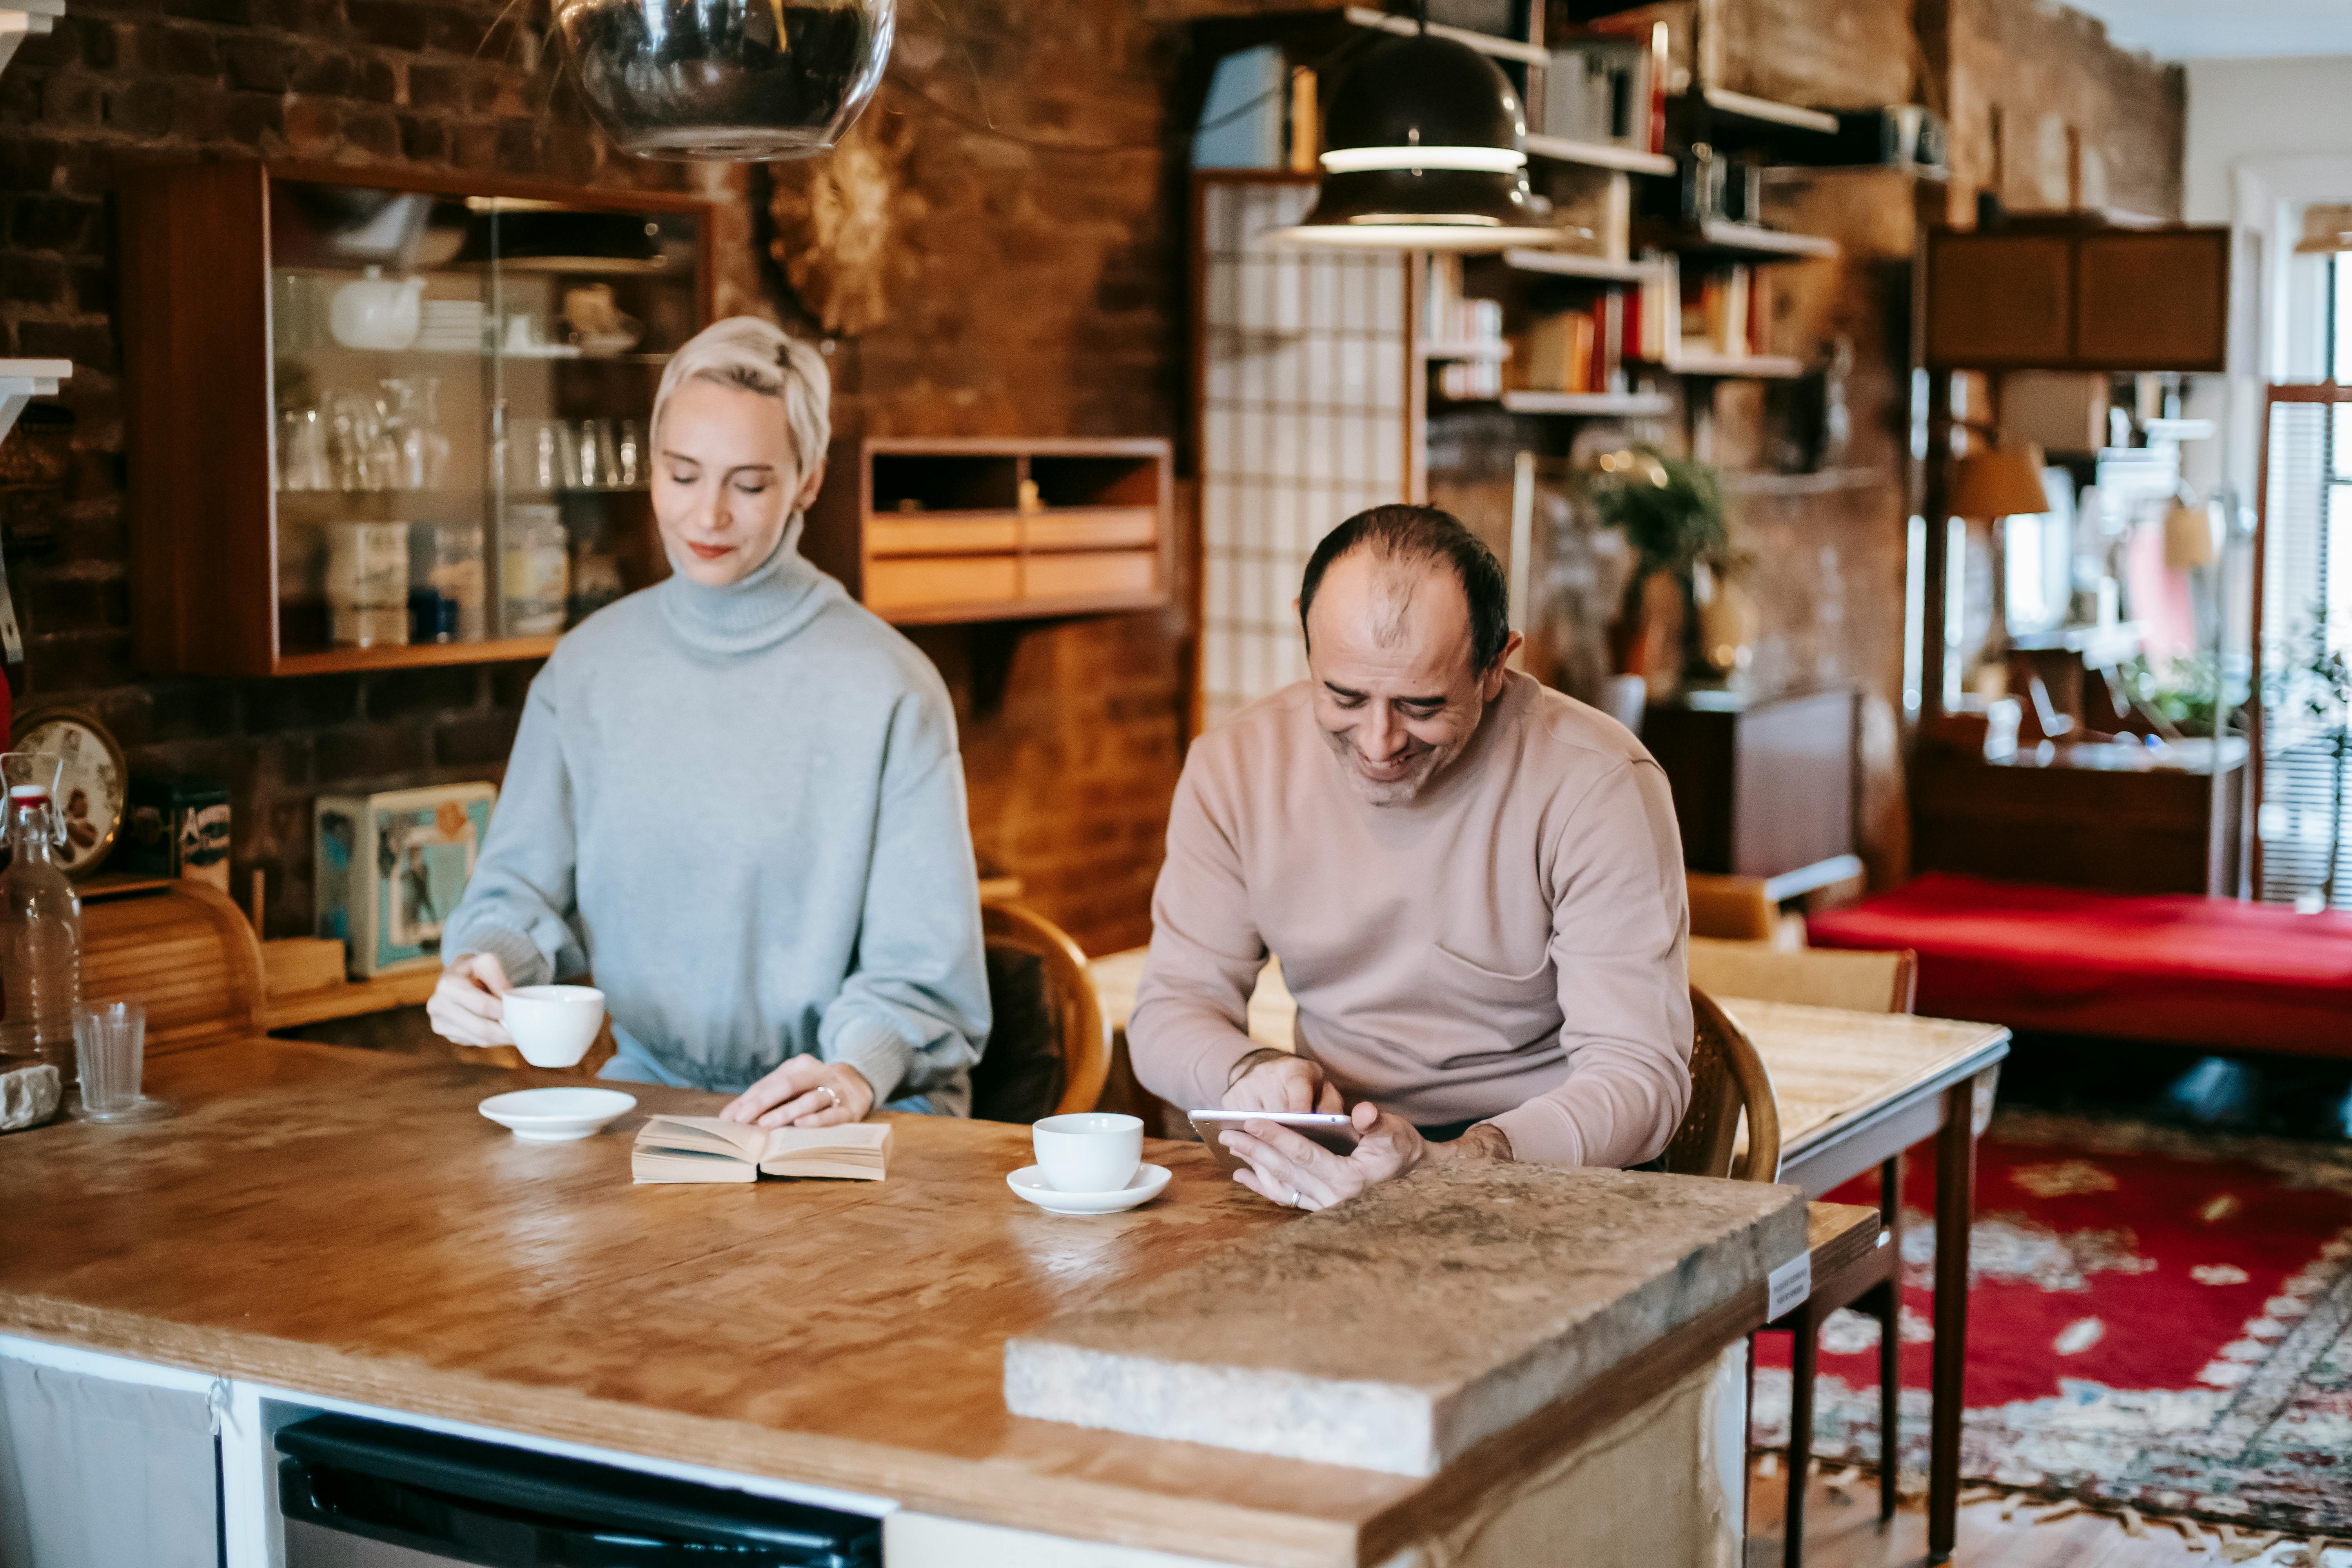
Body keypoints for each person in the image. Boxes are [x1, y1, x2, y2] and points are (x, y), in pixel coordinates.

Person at [429, 316, 990, 1126]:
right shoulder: (585, 669)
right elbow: (519, 892)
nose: (709, 515)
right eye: (682, 474)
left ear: (807, 480)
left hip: (857, 1115)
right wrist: (485, 966)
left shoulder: (891, 689)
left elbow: (923, 972)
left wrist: (853, 1074)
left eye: (750, 483)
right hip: (655, 1101)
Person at [1128, 504, 1690, 1210]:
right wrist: (1252, 1068)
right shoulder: (1235, 767)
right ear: (1305, 628)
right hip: (1336, 1160)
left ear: (1495, 667)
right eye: (1344, 696)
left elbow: (1642, 1079)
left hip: (1544, 1170)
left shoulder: (1595, 783)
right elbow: (1169, 1011)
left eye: (1422, 707)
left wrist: (1465, 1160)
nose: (1377, 743)